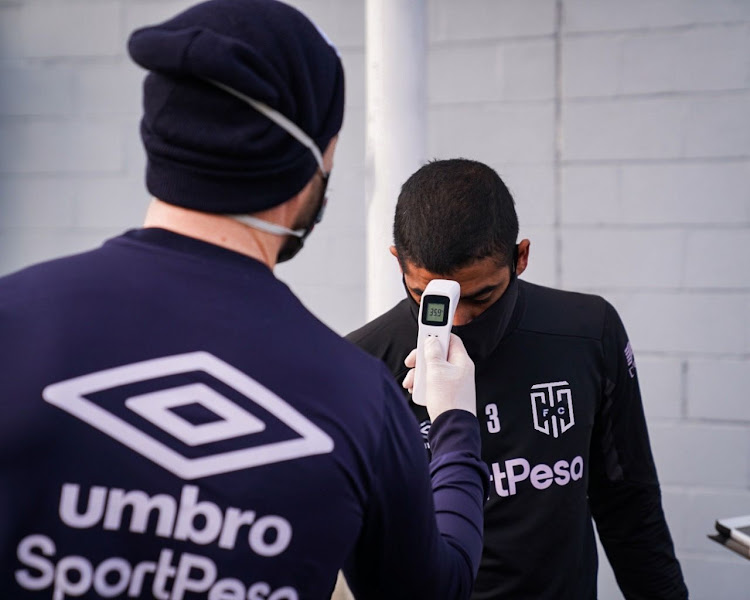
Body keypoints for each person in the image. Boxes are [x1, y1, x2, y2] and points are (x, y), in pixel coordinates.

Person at [0, 3, 489, 599]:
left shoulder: (13, 323)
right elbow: (435, 589)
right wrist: (456, 422)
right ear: (319, 160)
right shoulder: (357, 397)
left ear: (156, 135)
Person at [347, 158, 689, 600]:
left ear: (520, 257)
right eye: (428, 297)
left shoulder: (587, 331)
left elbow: (630, 504)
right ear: (399, 263)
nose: (460, 322)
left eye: (482, 296)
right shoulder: (365, 364)